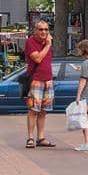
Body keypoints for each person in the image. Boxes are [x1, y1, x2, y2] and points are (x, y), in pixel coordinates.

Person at [23, 19, 55, 150]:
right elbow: (37, 58)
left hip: (48, 80)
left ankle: (40, 137)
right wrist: (48, 45)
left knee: (43, 111)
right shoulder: (30, 42)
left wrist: (47, 44)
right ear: (35, 30)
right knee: (32, 110)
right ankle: (30, 137)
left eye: (46, 29)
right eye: (41, 29)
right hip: (36, 80)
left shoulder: (46, 42)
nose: (44, 32)